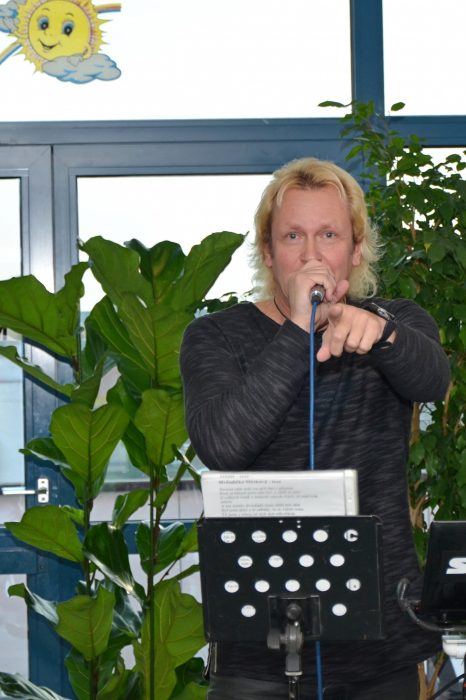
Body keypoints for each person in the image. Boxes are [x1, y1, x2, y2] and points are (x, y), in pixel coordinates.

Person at [180, 157, 451, 700]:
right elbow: (223, 445)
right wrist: (301, 330)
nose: (311, 255)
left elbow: (432, 379)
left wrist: (380, 336)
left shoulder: (394, 322)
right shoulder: (215, 337)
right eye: (293, 236)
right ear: (267, 251)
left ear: (356, 249)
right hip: (256, 655)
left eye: (329, 235)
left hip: (381, 651)